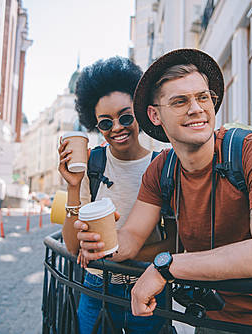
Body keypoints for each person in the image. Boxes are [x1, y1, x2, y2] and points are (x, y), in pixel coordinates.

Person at [75, 49, 252, 333]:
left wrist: (166, 267)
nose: (196, 109)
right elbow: (132, 239)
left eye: (203, 97)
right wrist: (102, 242)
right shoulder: (161, 169)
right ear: (154, 115)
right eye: (180, 101)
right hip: (206, 315)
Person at [58, 56, 175, 334]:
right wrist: (73, 185)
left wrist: (112, 255)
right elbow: (73, 248)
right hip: (96, 289)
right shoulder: (92, 164)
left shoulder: (163, 166)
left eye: (125, 117)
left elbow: (174, 243)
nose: (117, 128)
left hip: (147, 286)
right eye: (105, 123)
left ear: (140, 113)